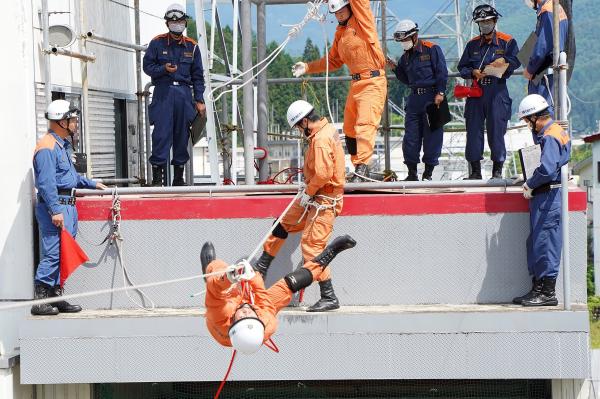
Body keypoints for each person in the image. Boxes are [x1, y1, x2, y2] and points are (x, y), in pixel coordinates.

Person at [251, 100, 346, 312]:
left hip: (323, 199)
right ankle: (262, 266)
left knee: (312, 248)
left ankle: (328, 295)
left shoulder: (320, 140)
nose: (298, 131)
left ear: (305, 121)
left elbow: (323, 174)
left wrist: (309, 192)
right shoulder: (325, 131)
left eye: (298, 127)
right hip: (315, 194)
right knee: (283, 223)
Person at [201, 235, 357, 353]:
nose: (246, 311)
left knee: (218, 272)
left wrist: (229, 277)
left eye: (242, 316)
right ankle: (331, 252)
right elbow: (261, 293)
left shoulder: (221, 316)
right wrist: (253, 277)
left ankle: (208, 266)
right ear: (258, 319)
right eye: (250, 315)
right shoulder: (267, 322)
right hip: (258, 309)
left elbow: (215, 293)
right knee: (290, 284)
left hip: (226, 308)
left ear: (233, 322)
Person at [291, 0, 386, 182]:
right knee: (350, 128)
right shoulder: (341, 34)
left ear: (350, 6)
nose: (339, 14)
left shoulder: (362, 20)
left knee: (365, 125)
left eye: (342, 10)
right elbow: (333, 61)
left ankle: (363, 167)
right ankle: (359, 167)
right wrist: (308, 67)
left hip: (372, 81)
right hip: (356, 83)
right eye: (336, 12)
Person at [31, 100, 107, 316]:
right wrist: (55, 210)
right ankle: (40, 300)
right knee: (53, 254)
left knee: (63, 253)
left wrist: (91, 183)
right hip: (56, 208)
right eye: (72, 120)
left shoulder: (61, 145)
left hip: (67, 207)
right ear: (62, 121)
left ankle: (57, 295)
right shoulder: (47, 147)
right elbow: (46, 183)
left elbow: (69, 178)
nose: (75, 123)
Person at [512, 94, 570, 307]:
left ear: (535, 117)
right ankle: (537, 289)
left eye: (527, 121)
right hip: (547, 195)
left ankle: (546, 293)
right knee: (538, 241)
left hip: (547, 195)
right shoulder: (554, 131)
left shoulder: (550, 136)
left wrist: (531, 183)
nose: (528, 126)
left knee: (545, 243)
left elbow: (546, 169)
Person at [143, 3, 206, 187]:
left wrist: (199, 99)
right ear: (167, 23)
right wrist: (163, 69)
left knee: (181, 135)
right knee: (161, 134)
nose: (176, 24)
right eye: (173, 21)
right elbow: (147, 67)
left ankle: (179, 176)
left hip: (184, 94)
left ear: (185, 23)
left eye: (179, 21)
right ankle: (157, 177)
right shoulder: (157, 42)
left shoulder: (192, 46)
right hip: (163, 92)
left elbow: (198, 76)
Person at [458, 4, 520, 180]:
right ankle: (475, 171)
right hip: (477, 92)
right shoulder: (472, 45)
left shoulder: (507, 41)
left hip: (497, 91)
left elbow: (516, 61)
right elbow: (462, 66)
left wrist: (502, 63)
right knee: (473, 131)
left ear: (495, 21)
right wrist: (472, 72)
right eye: (481, 21)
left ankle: (497, 171)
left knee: (497, 131)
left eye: (488, 20)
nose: (485, 24)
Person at [387, 20, 448, 181]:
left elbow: (442, 72)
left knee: (433, 136)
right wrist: (394, 68)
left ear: (415, 36)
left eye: (405, 40)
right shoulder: (405, 57)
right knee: (411, 137)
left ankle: (428, 174)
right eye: (401, 41)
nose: (403, 43)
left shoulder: (432, 49)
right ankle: (411, 173)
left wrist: (441, 92)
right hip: (414, 99)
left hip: (433, 97)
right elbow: (406, 79)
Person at [523, 0, 568, 117]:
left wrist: (530, 69)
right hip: (552, 72)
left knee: (541, 116)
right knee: (550, 114)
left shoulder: (546, 10)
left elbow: (542, 47)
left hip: (543, 74)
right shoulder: (557, 8)